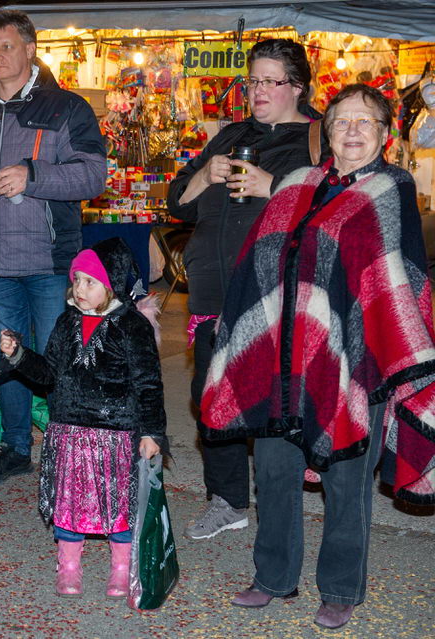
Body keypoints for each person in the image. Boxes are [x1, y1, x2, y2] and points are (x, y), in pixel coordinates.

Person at [200, 84, 435, 630]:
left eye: (365, 122)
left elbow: (398, 279)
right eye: (341, 121)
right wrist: (243, 330)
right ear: (325, 131)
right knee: (273, 471)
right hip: (281, 356)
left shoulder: (390, 189)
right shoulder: (297, 183)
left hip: (355, 360)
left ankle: (340, 588)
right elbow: (260, 259)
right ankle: (272, 577)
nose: (352, 131)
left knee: (347, 482)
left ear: (385, 134)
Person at [167, 38, 326, 540]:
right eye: (252, 81)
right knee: (211, 395)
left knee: (275, 399)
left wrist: (272, 187)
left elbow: (337, 207)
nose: (257, 90)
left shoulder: (320, 138)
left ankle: (282, 502)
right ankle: (227, 499)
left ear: (296, 87)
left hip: (275, 292)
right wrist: (204, 176)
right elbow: (177, 203)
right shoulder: (231, 134)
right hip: (213, 290)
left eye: (269, 81)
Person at [0, 9, 106, 484]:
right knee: (9, 358)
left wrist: (33, 176)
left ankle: (67, 455)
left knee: (60, 361)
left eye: (8, 46)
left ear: (30, 49)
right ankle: (16, 447)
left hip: (50, 261)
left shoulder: (66, 107)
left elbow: (93, 175)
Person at [0, 238, 167, 598]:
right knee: (69, 501)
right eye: (77, 280)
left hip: (116, 433)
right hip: (69, 431)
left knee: (119, 502)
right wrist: (19, 356)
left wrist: (152, 431)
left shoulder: (132, 326)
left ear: (111, 285)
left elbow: (148, 383)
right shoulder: (66, 322)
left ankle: (121, 567)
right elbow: (48, 374)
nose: (80, 288)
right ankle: (69, 565)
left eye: (90, 282)